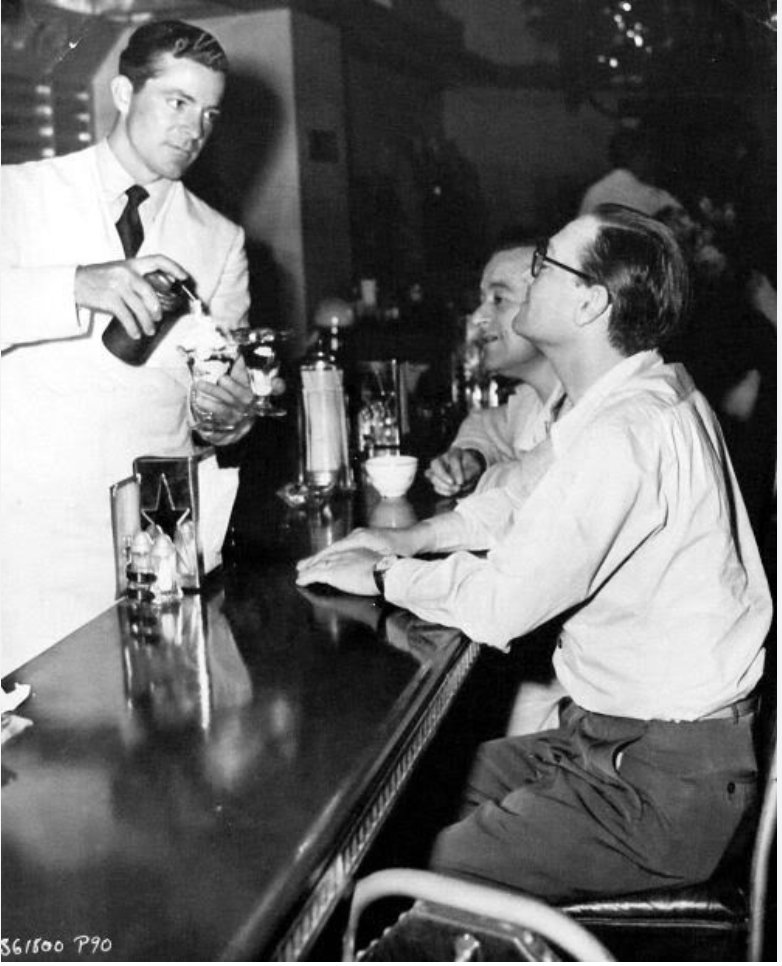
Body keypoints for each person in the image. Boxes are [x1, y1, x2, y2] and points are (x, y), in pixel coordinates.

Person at [296, 204, 771, 900]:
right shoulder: (635, 389)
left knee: (382, 876)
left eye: (547, 264)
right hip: (614, 746)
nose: (535, 273)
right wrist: (412, 537)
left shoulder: (627, 430)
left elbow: (498, 607)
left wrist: (380, 574)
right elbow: (522, 487)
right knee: (385, 814)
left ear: (589, 301)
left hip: (658, 788)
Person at [0, 20, 257, 673]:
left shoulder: (220, 239)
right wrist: (76, 284)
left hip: (159, 541)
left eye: (210, 112)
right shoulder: (18, 196)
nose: (194, 127)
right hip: (35, 543)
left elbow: (219, 392)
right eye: (177, 101)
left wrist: (226, 414)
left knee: (165, 748)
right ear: (121, 92)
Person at [426, 244, 562, 499]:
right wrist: (473, 457)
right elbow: (488, 424)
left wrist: (486, 479)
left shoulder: (592, 409)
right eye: (481, 301)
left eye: (498, 299)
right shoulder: (534, 399)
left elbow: (532, 491)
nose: (477, 317)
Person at [579, 126, 681, 217]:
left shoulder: (594, 193)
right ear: (638, 157)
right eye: (648, 156)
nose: (652, 163)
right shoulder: (651, 196)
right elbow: (686, 228)